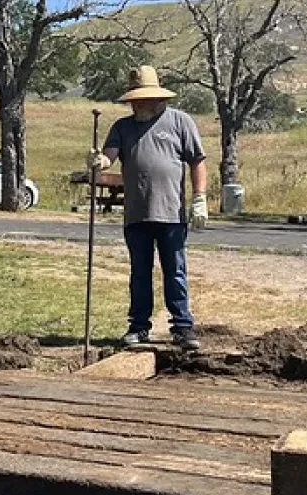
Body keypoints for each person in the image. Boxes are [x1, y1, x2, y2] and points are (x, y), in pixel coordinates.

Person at [88, 65, 209, 350]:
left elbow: (197, 160)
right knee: (139, 272)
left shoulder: (180, 122)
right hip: (137, 213)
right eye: (134, 100)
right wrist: (99, 162)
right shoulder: (122, 127)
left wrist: (200, 198)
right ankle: (139, 326)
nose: (138, 104)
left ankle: (182, 326)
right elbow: (110, 157)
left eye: (143, 98)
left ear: (158, 98)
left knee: (175, 270)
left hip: (171, 212)